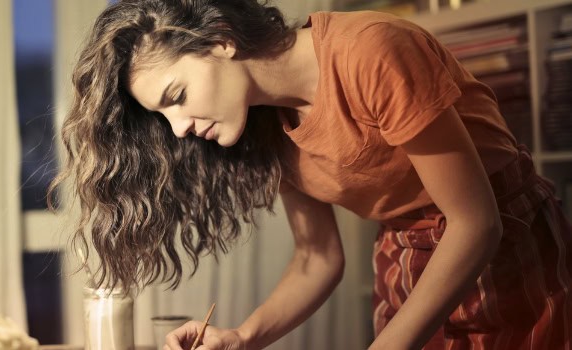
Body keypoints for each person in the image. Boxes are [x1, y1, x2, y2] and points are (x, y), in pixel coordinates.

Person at [51, 0, 572, 349]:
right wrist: (244, 336)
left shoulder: (371, 50)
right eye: (164, 118)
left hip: (508, 245)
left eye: (177, 97)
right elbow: (318, 257)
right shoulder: (261, 126)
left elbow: (475, 224)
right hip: (405, 259)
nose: (180, 128)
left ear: (220, 39)